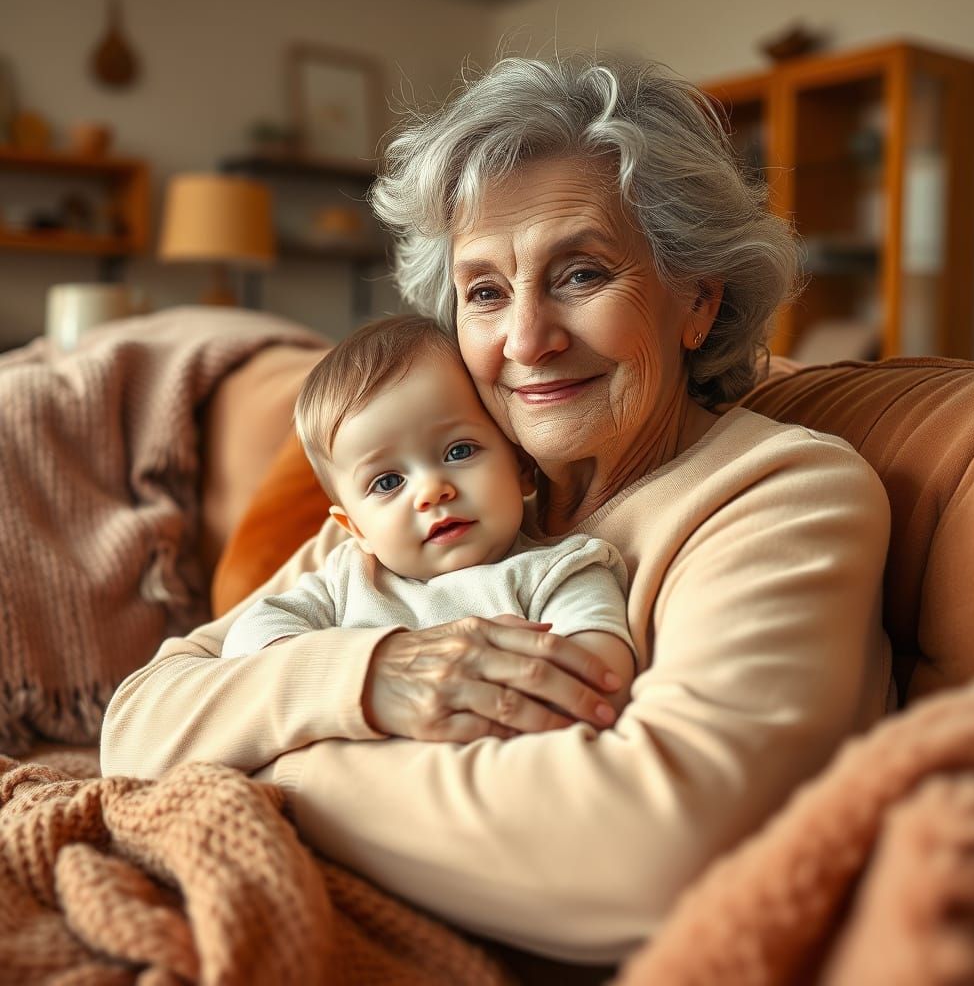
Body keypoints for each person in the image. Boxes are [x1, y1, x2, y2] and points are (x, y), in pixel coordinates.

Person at [101, 55, 893, 966]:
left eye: (582, 274)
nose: (526, 339)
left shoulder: (783, 497)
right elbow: (137, 723)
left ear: (697, 300)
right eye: (484, 291)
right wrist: (367, 680)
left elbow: (650, 854)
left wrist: (266, 766)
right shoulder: (429, 503)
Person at [220, 314, 636, 737]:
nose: (431, 491)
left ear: (522, 466)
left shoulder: (558, 572)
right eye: (387, 482)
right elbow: (245, 646)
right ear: (356, 529)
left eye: (458, 451)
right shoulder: (346, 579)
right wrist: (354, 673)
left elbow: (597, 684)